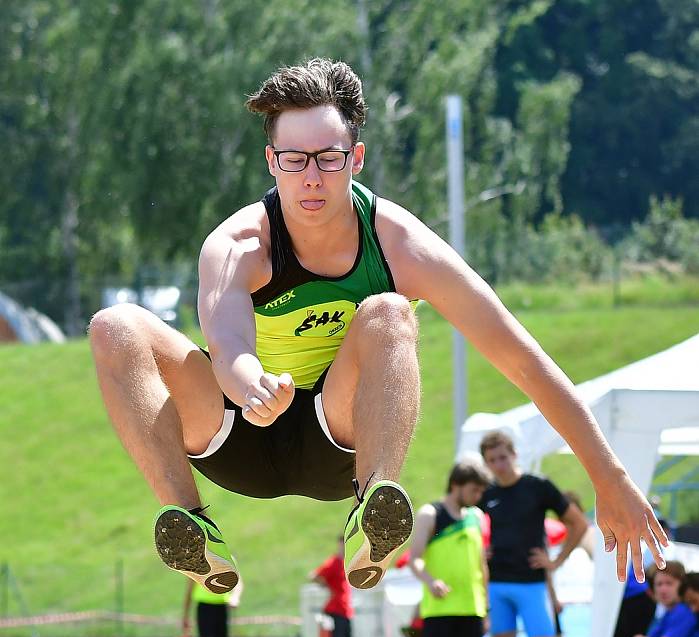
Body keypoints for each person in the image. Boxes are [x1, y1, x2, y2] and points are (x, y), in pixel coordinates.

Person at [88, 58, 667, 605]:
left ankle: (375, 510)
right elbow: (227, 338)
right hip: (236, 431)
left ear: (356, 157)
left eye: (328, 158)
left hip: (338, 438)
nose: (311, 177)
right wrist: (249, 383)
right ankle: (191, 526)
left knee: (390, 310)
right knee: (115, 326)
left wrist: (608, 475)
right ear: (272, 163)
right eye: (295, 159)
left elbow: (521, 359)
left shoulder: (398, 244)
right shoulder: (239, 243)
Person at [477, 431, 589, 637]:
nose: (499, 465)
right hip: (498, 587)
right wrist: (481, 553)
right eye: (492, 460)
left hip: (532, 586)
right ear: (486, 463)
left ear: (514, 454)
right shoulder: (487, 494)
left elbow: (578, 524)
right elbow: (474, 530)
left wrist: (555, 561)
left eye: (503, 457)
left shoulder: (538, 486)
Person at [394, 460, 490, 637]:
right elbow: (415, 558)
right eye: (474, 490)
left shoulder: (477, 517)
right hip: (439, 608)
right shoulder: (430, 513)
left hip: (471, 608)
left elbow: (482, 564)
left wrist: (485, 604)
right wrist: (430, 580)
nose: (478, 496)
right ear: (456, 485)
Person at [310, 535, 363, 637]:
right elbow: (314, 576)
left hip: (346, 611)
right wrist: (327, 587)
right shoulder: (334, 562)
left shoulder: (347, 563)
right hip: (335, 610)